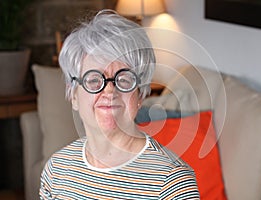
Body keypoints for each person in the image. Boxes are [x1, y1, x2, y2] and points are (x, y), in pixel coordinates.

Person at [39, 9, 200, 199]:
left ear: (140, 95)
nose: (109, 91)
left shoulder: (173, 182)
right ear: (74, 95)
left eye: (123, 80)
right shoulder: (56, 170)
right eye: (94, 80)